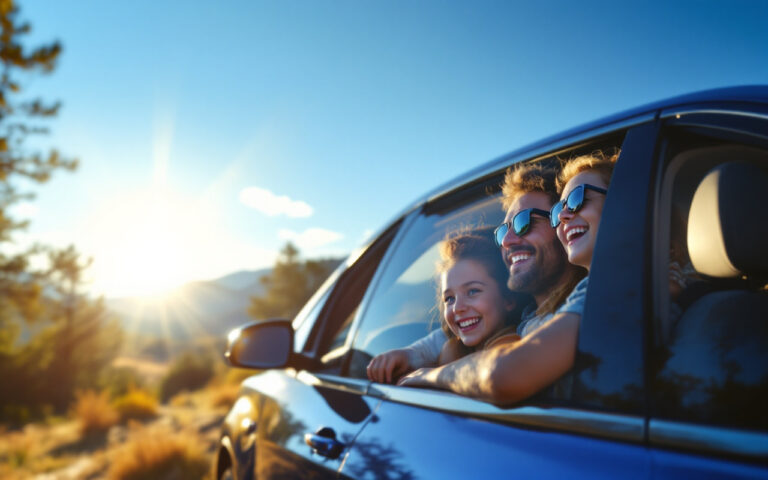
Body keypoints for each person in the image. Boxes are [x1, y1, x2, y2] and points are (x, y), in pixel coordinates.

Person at [396, 152, 616, 405]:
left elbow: (504, 374)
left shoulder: (595, 293)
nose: (509, 242)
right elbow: (457, 325)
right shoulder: (522, 312)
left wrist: (432, 376)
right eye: (503, 232)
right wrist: (414, 353)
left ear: (559, 228)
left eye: (524, 223)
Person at [367, 229, 525, 384]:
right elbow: (427, 348)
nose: (457, 308)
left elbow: (491, 373)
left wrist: (428, 375)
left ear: (508, 299)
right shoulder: (453, 339)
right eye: (449, 298)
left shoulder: (517, 343)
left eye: (472, 291)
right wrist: (405, 355)